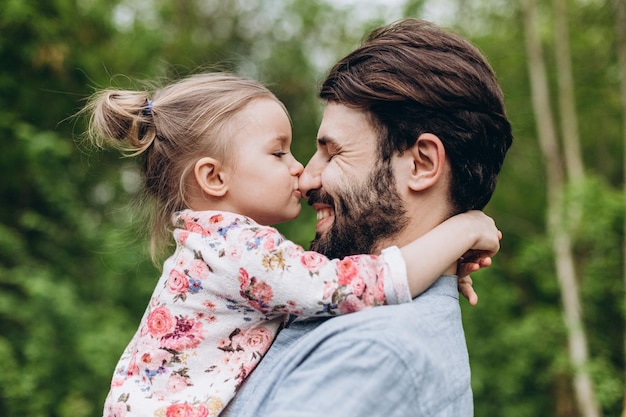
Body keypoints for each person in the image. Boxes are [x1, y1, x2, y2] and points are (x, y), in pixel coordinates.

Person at [82, 73, 500, 417]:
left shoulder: (211, 244)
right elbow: (354, 285)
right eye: (279, 153)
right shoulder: (239, 248)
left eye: (332, 154)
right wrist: (461, 231)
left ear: (423, 163)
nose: (302, 170)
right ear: (213, 178)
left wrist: (442, 264)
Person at [221, 18, 513, 417]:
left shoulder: (375, 355)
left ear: (422, 164)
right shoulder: (330, 309)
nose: (306, 179)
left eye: (334, 152)